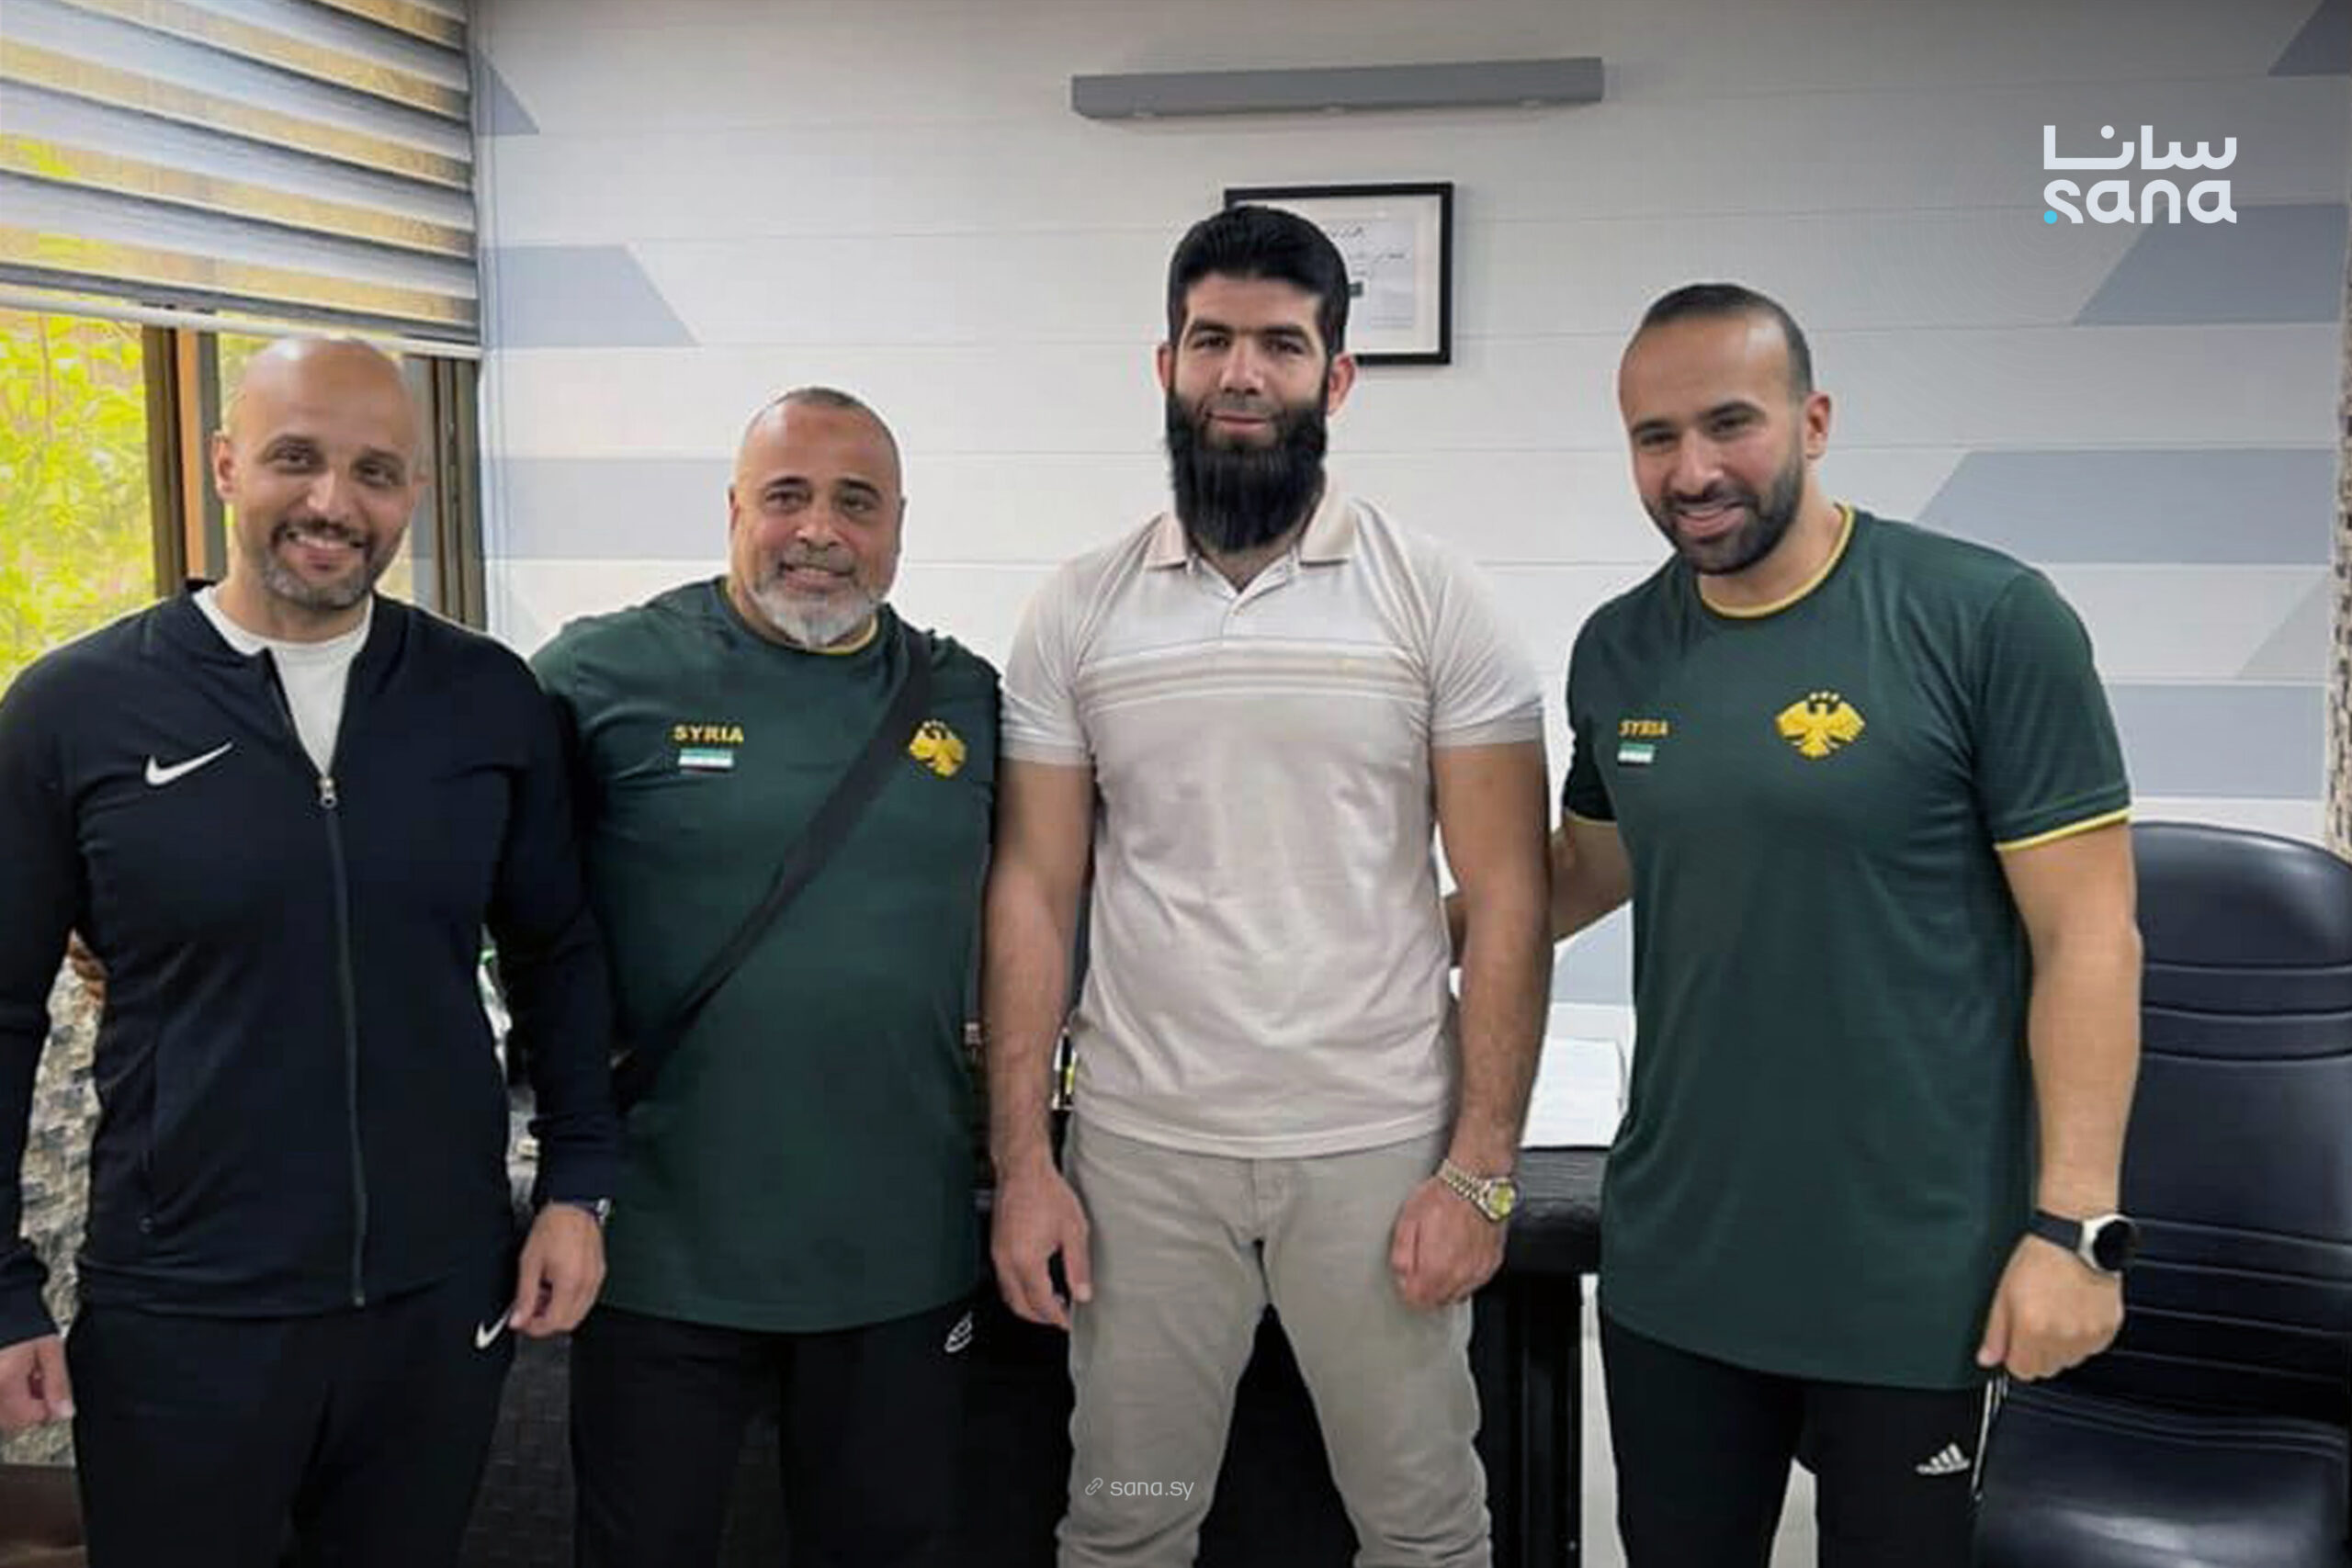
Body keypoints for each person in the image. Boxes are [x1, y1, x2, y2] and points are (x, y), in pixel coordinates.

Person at [984, 205, 1553, 1567]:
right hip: (1141, 1155)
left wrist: (1480, 1173)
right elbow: (1035, 894)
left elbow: (1510, 894)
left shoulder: (1437, 599)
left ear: (1336, 377)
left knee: (1423, 1529)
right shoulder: (1077, 610)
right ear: (1166, 363)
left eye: (1281, 345)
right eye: (1212, 340)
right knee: (1125, 1521)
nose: (1242, 373)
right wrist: (1024, 1163)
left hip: (1377, 1146)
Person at [1545, 284, 2142, 1565]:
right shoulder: (1618, 648)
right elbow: (1584, 870)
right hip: (1680, 1259)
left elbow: (2092, 938)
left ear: (1813, 420)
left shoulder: (1985, 619)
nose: (1692, 471)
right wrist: (1378, 931)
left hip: (1915, 1272)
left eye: (1730, 423)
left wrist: (2075, 1232)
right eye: (1655, 437)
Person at [0, 336, 618, 1566]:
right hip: (183, 1308)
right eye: (297, 458)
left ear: (414, 493)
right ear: (226, 464)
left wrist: (576, 1182)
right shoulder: (74, 711)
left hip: (437, 1297)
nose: (334, 501)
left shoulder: (487, 699)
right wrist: (0, 1282)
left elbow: (557, 951)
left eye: (374, 471)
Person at [534, 387, 999, 1568]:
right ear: (734, 509)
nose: (819, 531)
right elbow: (464, 872)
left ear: (900, 525)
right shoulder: (600, 673)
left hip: (898, 1249)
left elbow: (1063, 897)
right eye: (786, 496)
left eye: (857, 503)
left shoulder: (969, 698)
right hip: (660, 1249)